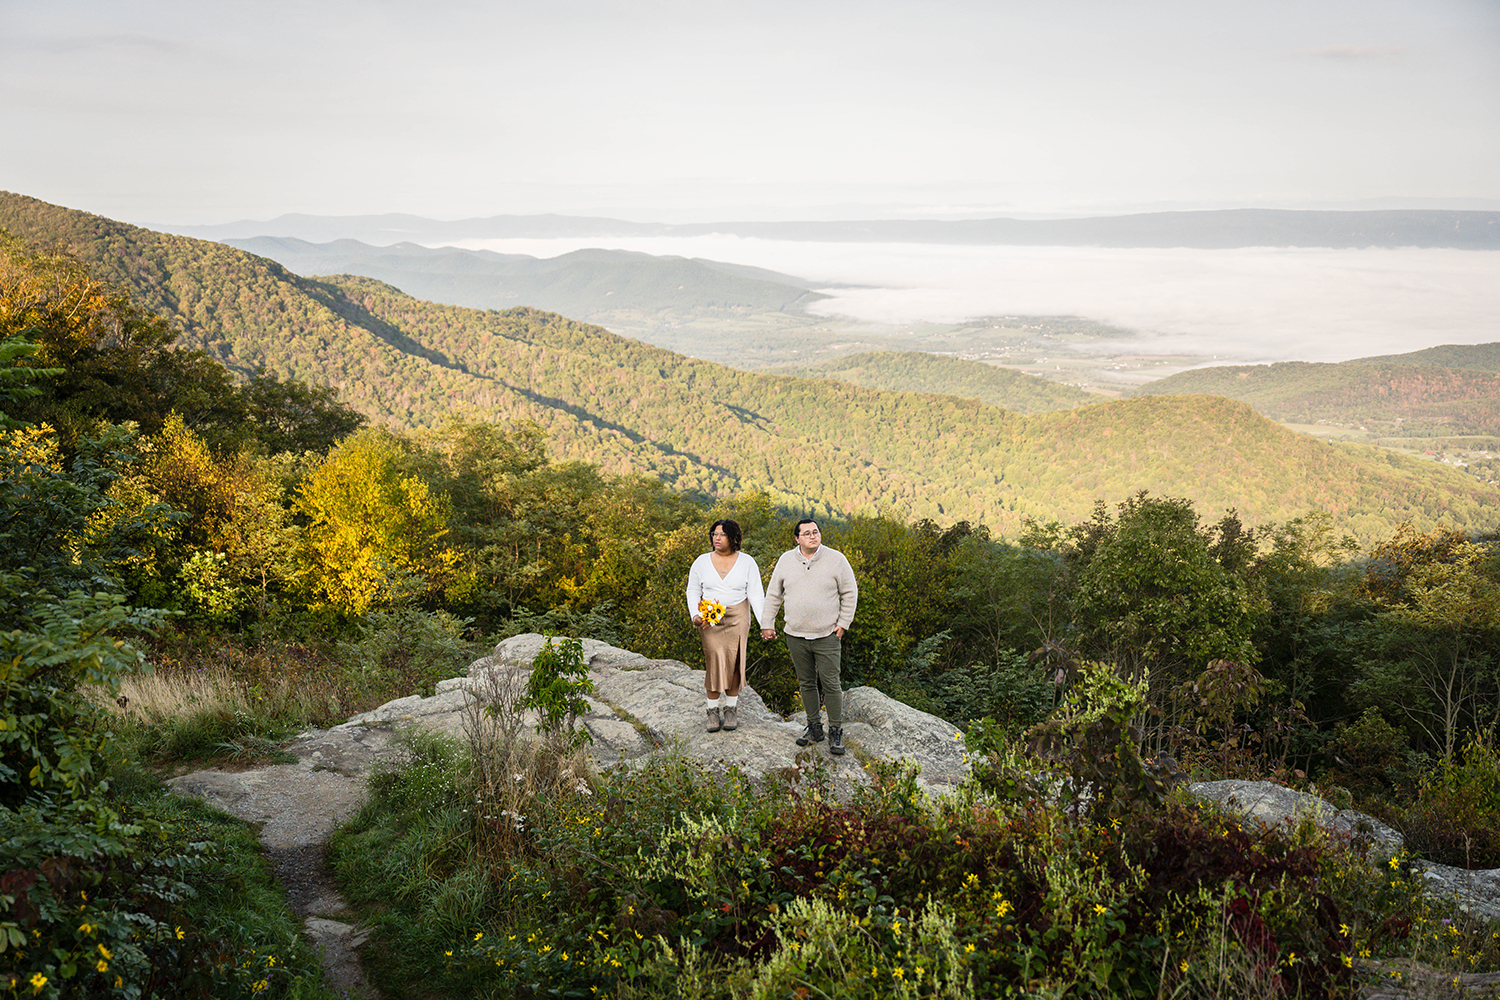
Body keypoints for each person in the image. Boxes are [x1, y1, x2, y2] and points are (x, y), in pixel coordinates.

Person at [760, 519, 858, 755]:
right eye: (807, 533)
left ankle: (835, 732)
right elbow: (774, 594)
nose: (813, 536)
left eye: (816, 532)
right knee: (806, 683)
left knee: (832, 684)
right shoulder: (785, 560)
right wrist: (767, 624)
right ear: (797, 539)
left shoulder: (836, 559)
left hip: (827, 635)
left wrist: (843, 624)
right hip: (795, 634)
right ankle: (814, 727)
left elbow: (850, 592)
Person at [685, 518, 767, 733]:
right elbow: (693, 590)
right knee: (714, 660)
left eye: (721, 534)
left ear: (733, 537)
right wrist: (695, 614)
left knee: (735, 660)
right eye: (714, 533)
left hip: (739, 616)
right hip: (710, 618)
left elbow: (756, 594)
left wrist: (765, 624)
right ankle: (712, 711)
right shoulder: (701, 562)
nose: (717, 538)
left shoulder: (747, 562)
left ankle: (730, 709)